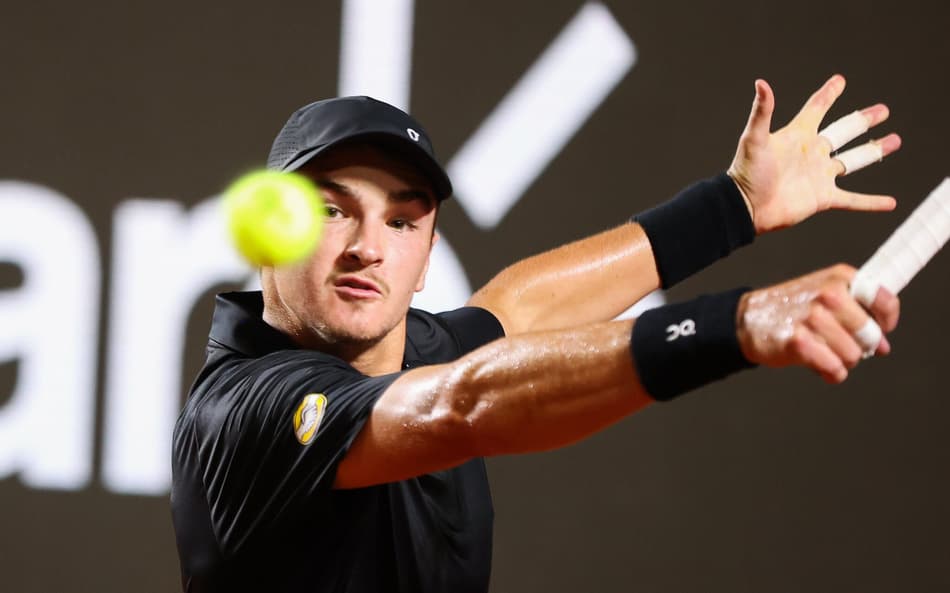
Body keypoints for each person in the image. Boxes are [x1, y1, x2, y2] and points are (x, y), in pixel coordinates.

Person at [171, 75, 902, 593]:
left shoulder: (416, 348)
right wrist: (732, 324)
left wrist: (735, 205)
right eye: (331, 211)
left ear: (427, 258)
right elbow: (465, 402)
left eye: (402, 221)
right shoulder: (245, 414)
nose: (369, 246)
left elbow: (517, 310)